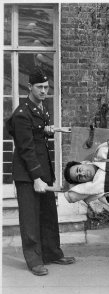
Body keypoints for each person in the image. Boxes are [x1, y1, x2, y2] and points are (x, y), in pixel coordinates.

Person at [6, 68, 75, 276]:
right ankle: (34, 260)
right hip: (28, 173)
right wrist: (36, 177)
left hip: (42, 168)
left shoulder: (40, 108)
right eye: (40, 87)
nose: (45, 91)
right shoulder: (21, 113)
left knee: (48, 214)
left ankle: (52, 253)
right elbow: (26, 148)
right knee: (30, 218)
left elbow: (36, 131)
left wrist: (49, 129)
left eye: (46, 87)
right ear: (30, 87)